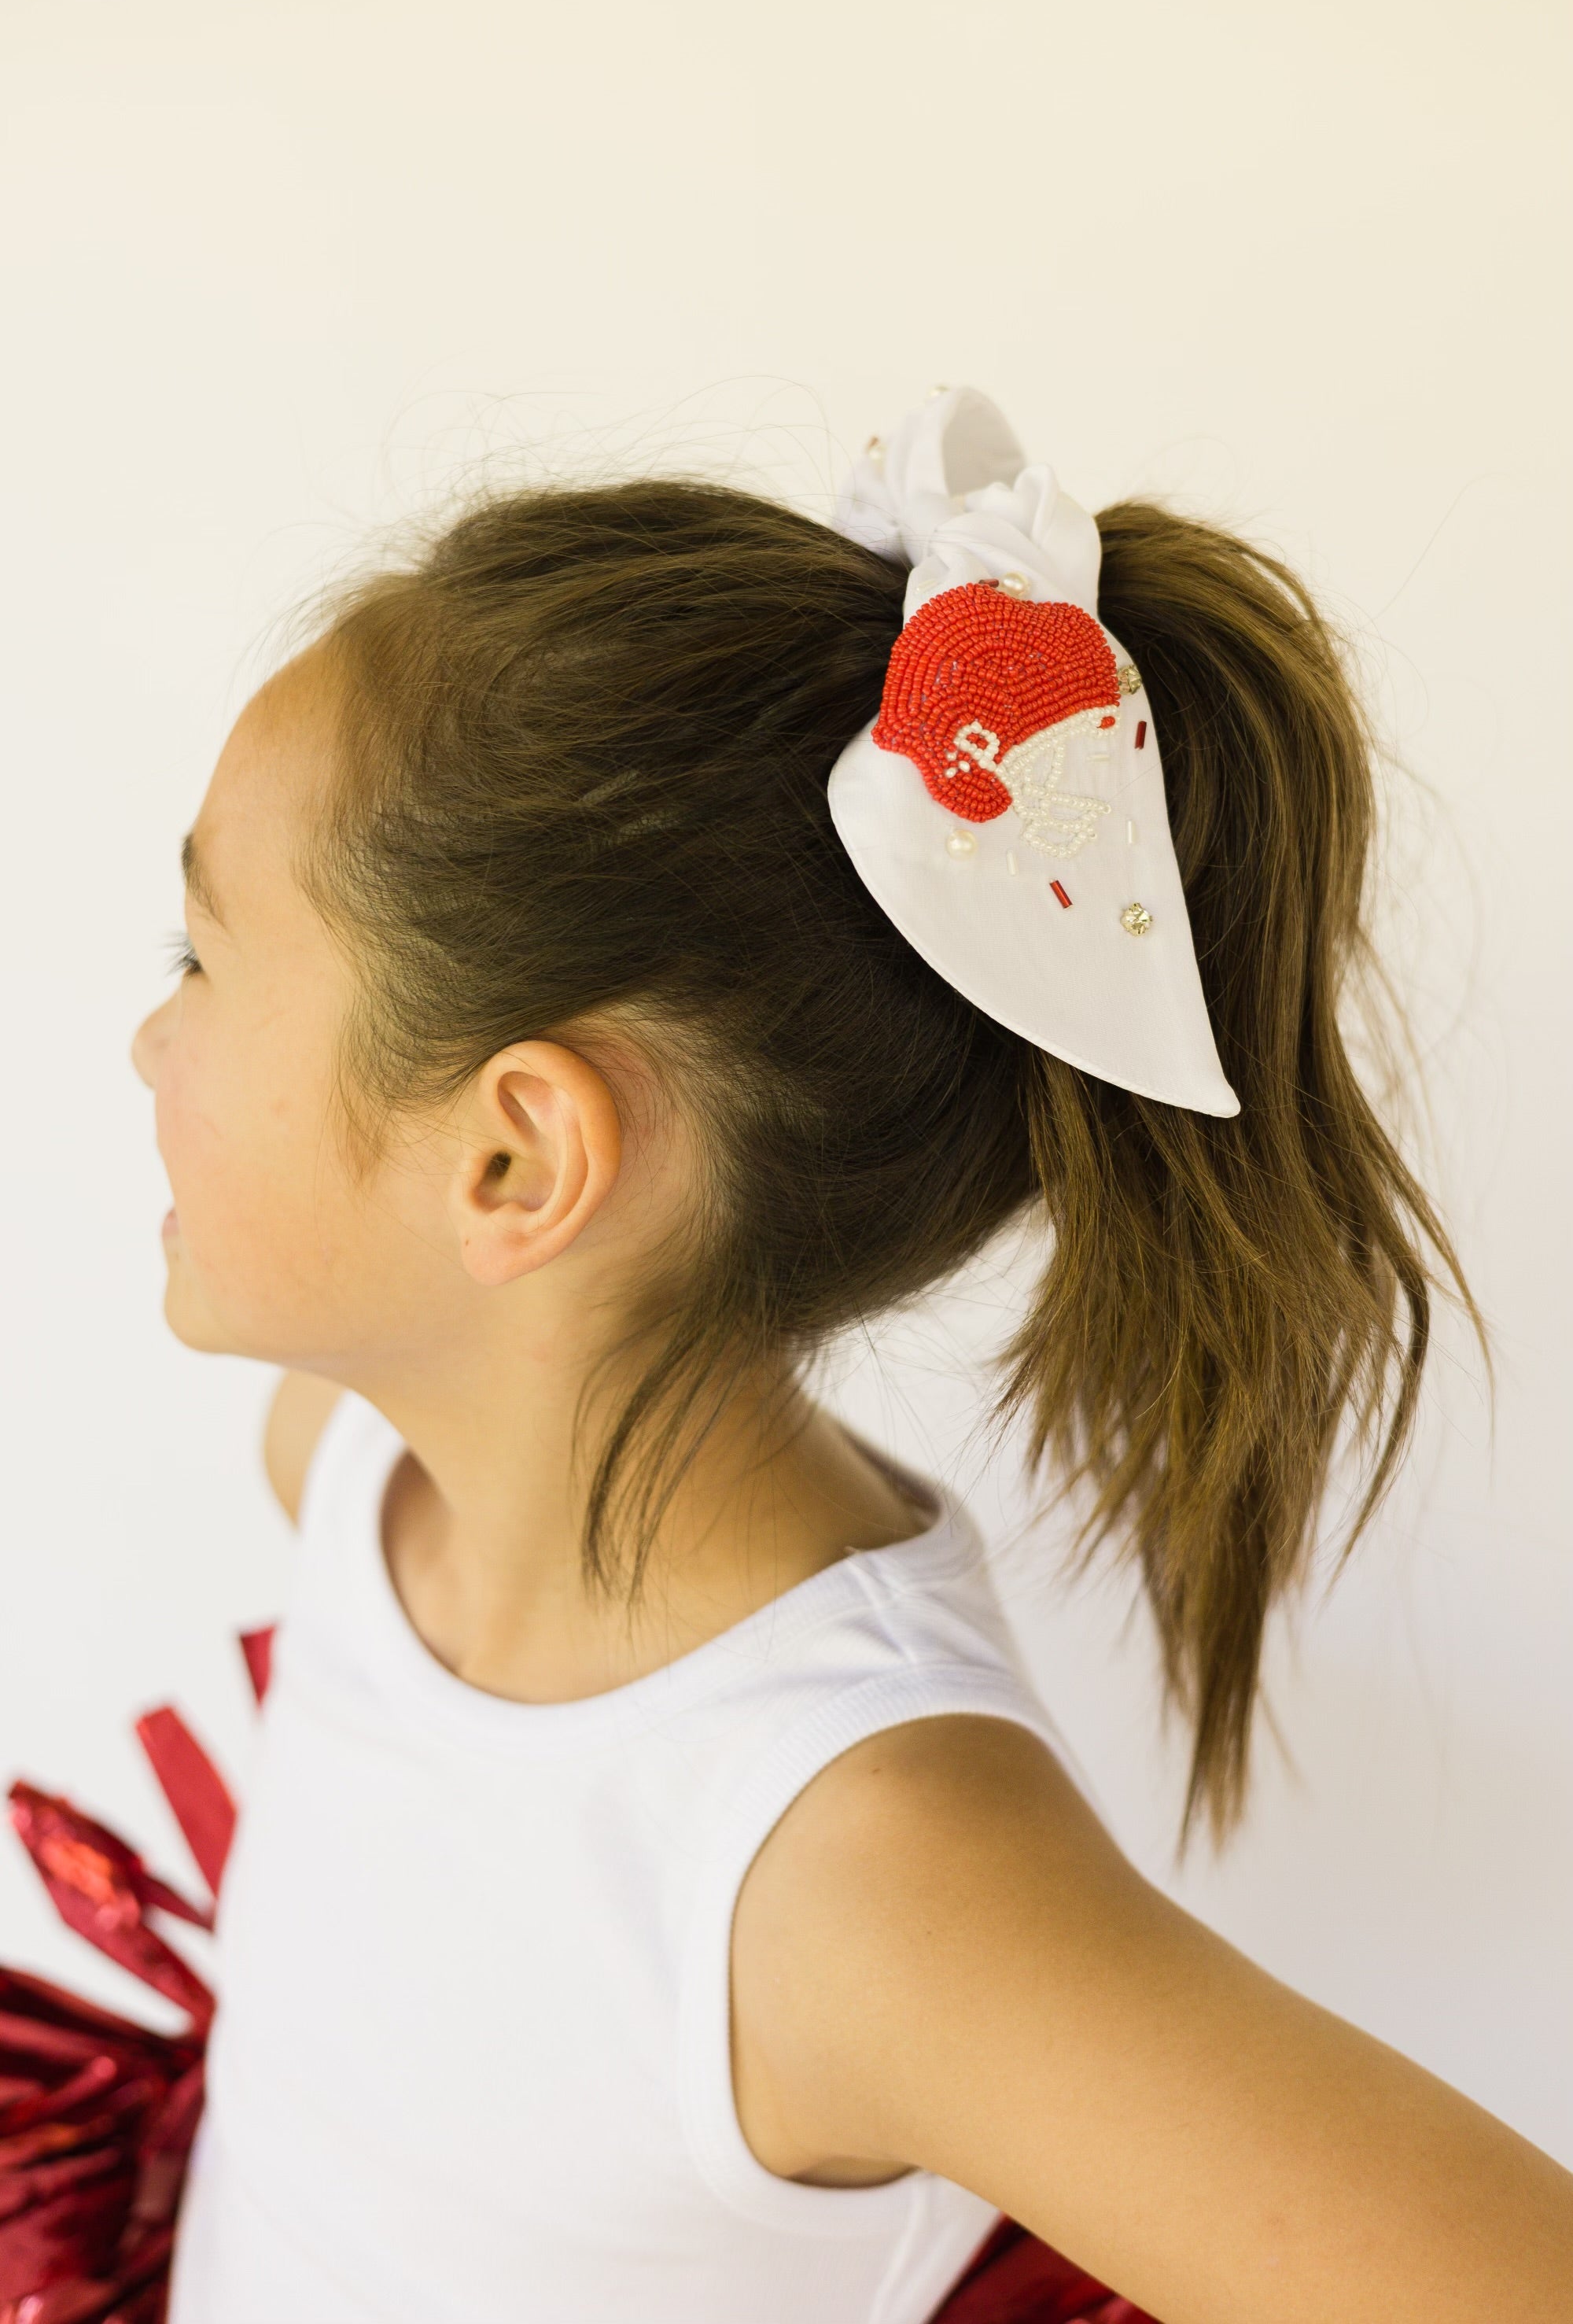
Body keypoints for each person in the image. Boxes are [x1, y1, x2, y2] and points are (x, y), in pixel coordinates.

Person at [131, 389, 1573, 2322]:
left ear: (512, 1155)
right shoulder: (353, 1465)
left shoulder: (849, 1864)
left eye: (200, 963)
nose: (150, 1046)